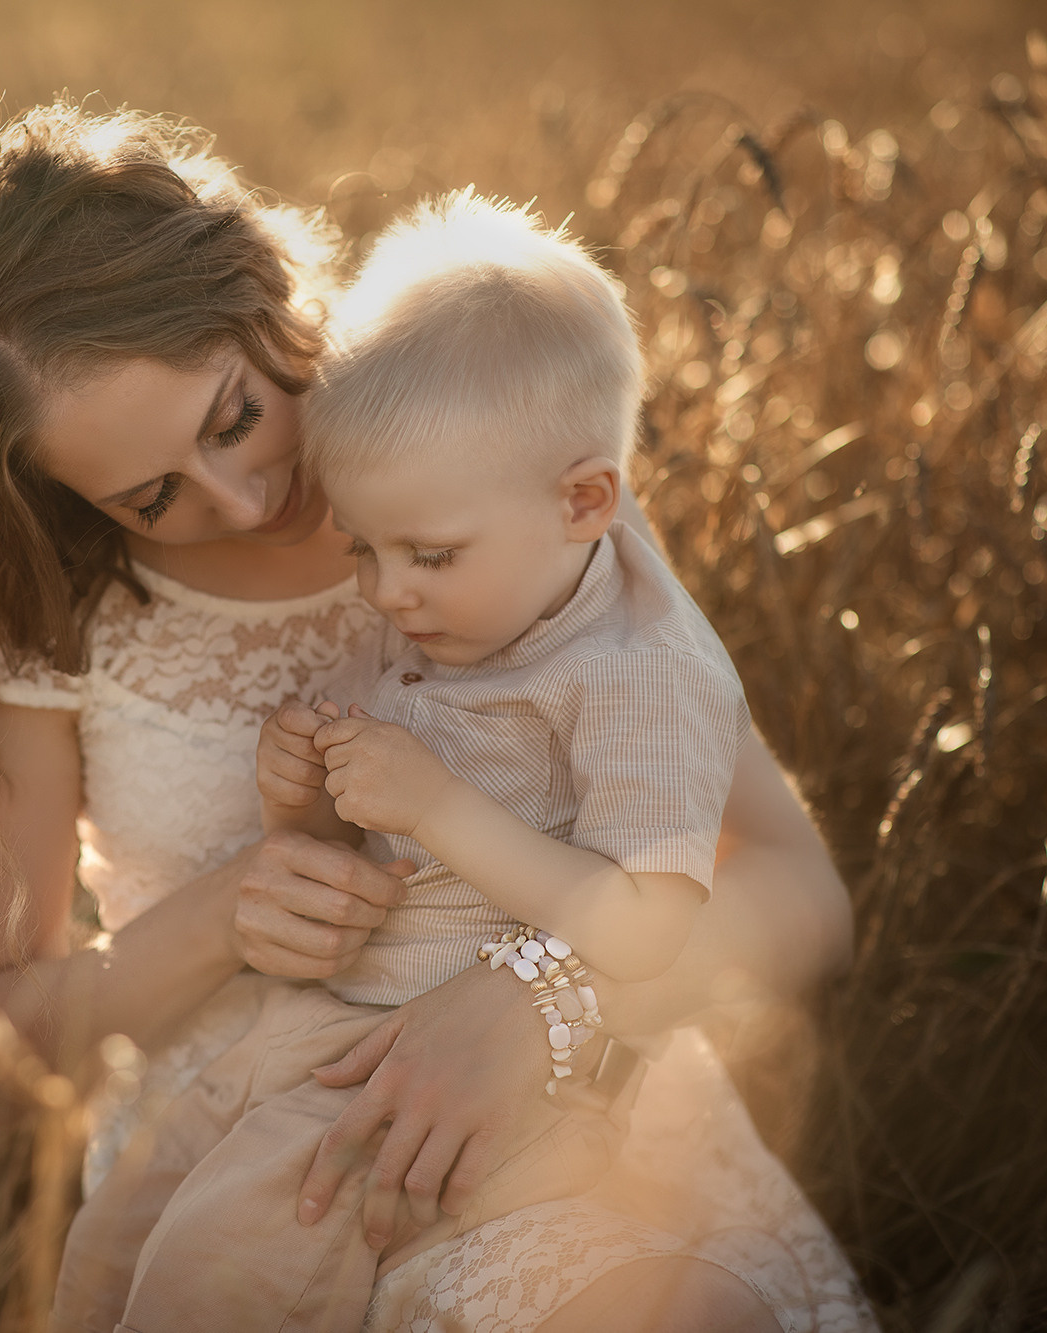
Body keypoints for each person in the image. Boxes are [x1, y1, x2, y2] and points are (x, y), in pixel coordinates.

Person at [0, 102, 872, 1331]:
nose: (242, 495)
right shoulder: (39, 618)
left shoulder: (490, 470)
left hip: (576, 1107)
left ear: (255, 297)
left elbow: (796, 891)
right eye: (153, 494)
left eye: (234, 417)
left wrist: (542, 1002)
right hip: (247, 1174)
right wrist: (223, 914)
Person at [57, 192, 756, 1331]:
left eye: (423, 553)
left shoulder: (638, 670)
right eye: (366, 549)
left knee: (208, 1279)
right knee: (111, 1244)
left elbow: (643, 925)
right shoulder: (468, 596)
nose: (384, 593)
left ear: (586, 500)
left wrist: (432, 803)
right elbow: (374, 868)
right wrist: (307, 802)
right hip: (321, 1025)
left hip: (426, 1074)